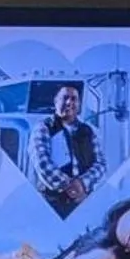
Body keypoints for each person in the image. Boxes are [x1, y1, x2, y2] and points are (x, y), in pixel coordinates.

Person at [32, 80, 105, 210]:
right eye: (64, 98)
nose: (69, 102)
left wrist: (83, 183)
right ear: (55, 102)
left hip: (83, 201)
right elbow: (42, 163)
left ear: (79, 104)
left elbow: (101, 164)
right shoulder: (44, 127)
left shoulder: (89, 131)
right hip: (52, 203)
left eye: (74, 99)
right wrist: (70, 186)